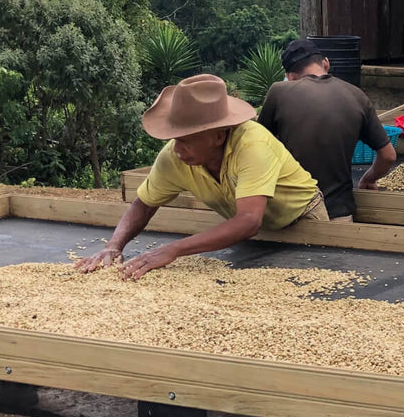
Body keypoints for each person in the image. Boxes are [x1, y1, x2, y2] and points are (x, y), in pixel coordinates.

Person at [75, 74, 328, 280]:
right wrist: (114, 245)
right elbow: (144, 203)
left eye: (186, 140)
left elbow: (249, 220)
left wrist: (173, 249)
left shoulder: (253, 144)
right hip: (259, 231)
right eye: (175, 139)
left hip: (303, 220)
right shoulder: (175, 157)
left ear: (218, 136)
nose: (177, 149)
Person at [258, 38, 397, 220]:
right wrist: (369, 178)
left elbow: (256, 147)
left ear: (290, 77)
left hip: (290, 216)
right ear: (326, 63)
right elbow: (388, 156)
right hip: (339, 214)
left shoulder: (279, 92)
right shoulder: (356, 95)